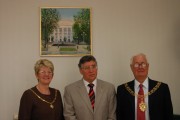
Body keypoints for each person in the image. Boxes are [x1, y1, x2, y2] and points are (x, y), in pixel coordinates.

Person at [116, 53, 173, 120]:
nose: (140, 67)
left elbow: (169, 116)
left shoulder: (162, 88)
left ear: (148, 66)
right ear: (131, 67)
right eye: (136, 64)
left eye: (143, 64)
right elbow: (119, 116)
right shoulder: (122, 90)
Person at [63, 55, 116, 120]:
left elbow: (112, 115)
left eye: (93, 67)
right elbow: (69, 115)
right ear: (80, 71)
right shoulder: (70, 90)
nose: (91, 70)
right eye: (87, 68)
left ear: (97, 68)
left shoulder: (109, 88)